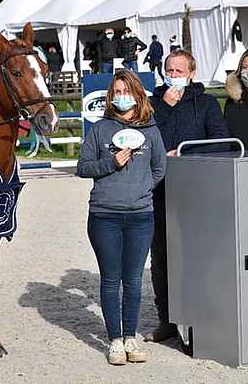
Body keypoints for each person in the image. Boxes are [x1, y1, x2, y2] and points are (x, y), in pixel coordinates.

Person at [76, 69, 167, 365]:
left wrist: (140, 190)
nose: (121, 96)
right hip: (104, 216)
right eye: (116, 92)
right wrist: (110, 163)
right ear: (110, 97)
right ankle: (114, 340)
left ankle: (131, 337)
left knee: (134, 281)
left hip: (141, 217)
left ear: (138, 94)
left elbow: (159, 168)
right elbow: (83, 167)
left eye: (126, 91)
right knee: (110, 280)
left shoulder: (151, 131)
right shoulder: (100, 129)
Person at [145, 50, 229, 343]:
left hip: (196, 191)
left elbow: (221, 141)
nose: (174, 76)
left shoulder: (206, 104)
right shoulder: (153, 104)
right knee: (161, 260)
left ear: (192, 74)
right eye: (170, 70)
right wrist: (165, 108)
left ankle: (200, 317)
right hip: (159, 192)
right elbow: (146, 140)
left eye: (180, 71)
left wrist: (184, 153)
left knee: (196, 256)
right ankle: (166, 319)